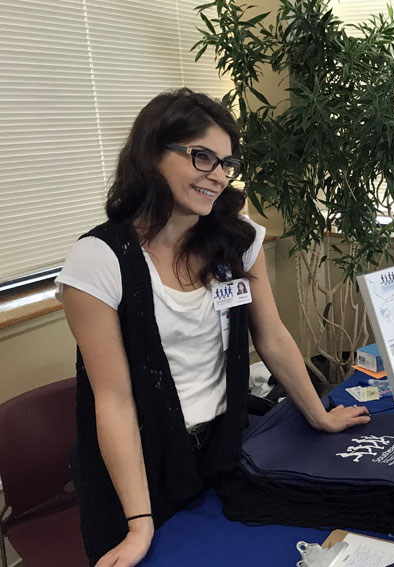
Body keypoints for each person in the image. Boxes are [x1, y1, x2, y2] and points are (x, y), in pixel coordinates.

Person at [56, 88, 370, 567]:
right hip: (141, 466)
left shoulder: (236, 241)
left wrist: (319, 415)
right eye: (202, 156)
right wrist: (139, 524)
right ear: (152, 152)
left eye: (227, 163)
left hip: (223, 446)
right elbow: (113, 400)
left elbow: (272, 336)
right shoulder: (99, 260)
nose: (219, 175)